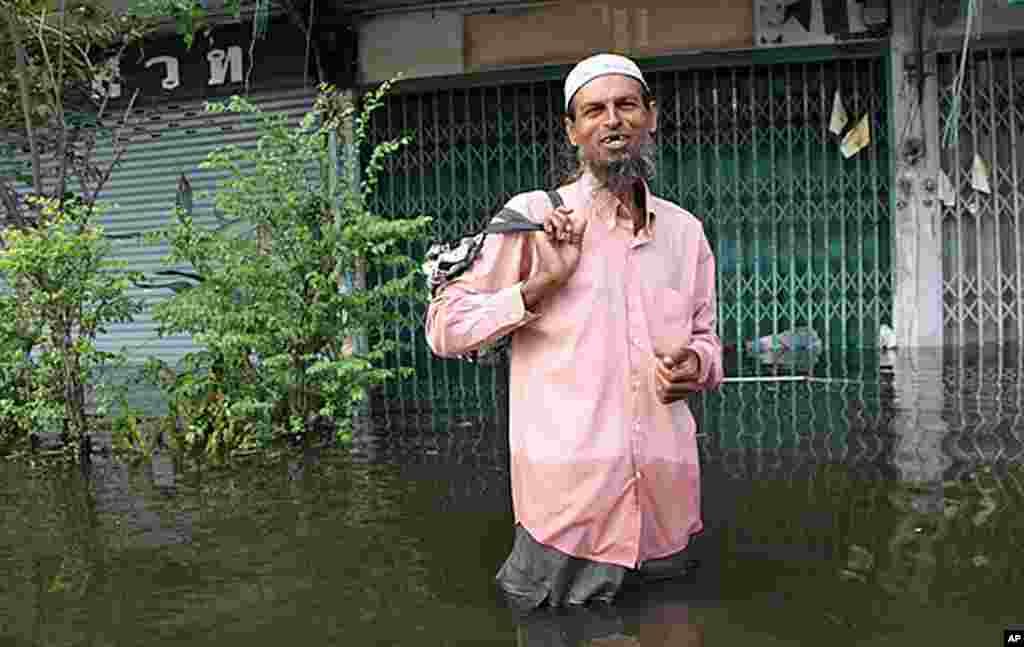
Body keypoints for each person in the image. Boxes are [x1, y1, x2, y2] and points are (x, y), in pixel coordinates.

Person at [425, 53, 724, 607]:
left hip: (667, 510)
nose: (612, 120)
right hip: (569, 515)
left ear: (650, 116)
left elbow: (708, 340)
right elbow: (444, 326)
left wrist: (698, 365)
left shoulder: (685, 233)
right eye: (594, 110)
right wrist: (541, 285)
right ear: (573, 130)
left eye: (626, 105)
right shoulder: (534, 219)